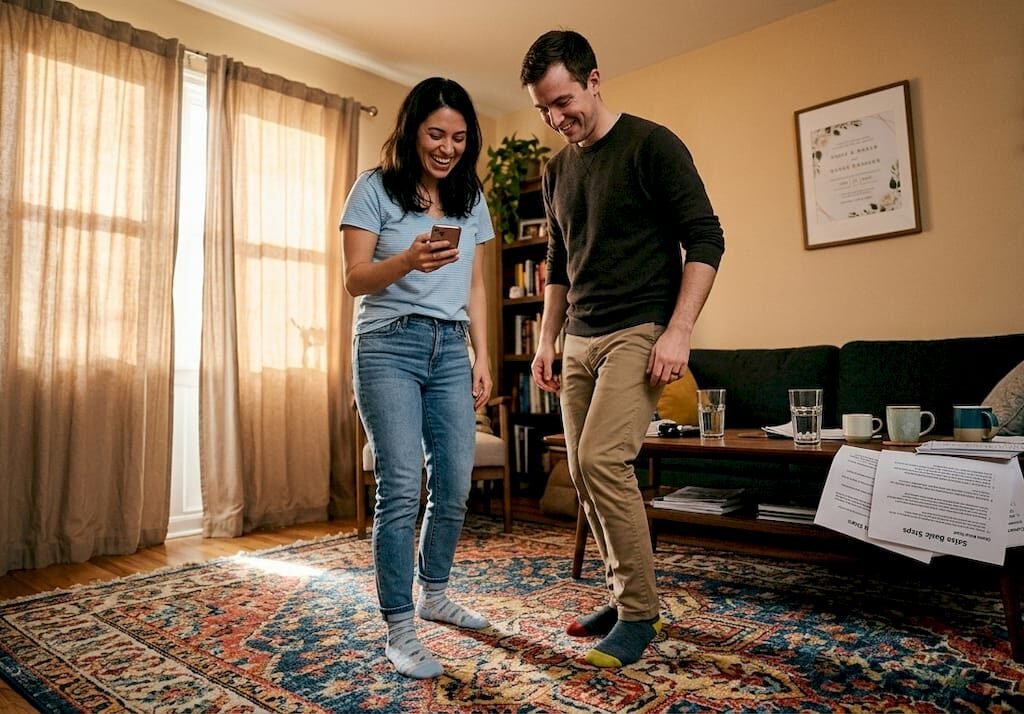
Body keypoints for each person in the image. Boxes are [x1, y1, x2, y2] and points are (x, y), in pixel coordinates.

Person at [521, 30, 725, 668]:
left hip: (639, 328)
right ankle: (622, 591)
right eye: (545, 110)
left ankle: (640, 613)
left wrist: (680, 330)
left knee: (604, 461)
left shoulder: (651, 145)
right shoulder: (556, 170)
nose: (558, 118)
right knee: (581, 471)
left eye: (564, 101)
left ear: (594, 79)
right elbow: (557, 264)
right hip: (579, 334)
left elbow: (706, 238)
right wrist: (546, 340)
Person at [340, 77, 493, 679]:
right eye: (436, 133)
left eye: (458, 137)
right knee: (402, 485)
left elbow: (475, 284)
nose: (447, 147)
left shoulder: (469, 196)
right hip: (387, 344)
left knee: (455, 483)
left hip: (451, 347)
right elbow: (355, 279)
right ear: (412, 130)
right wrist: (406, 259)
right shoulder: (374, 188)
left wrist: (483, 355)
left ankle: (435, 593)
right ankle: (399, 628)